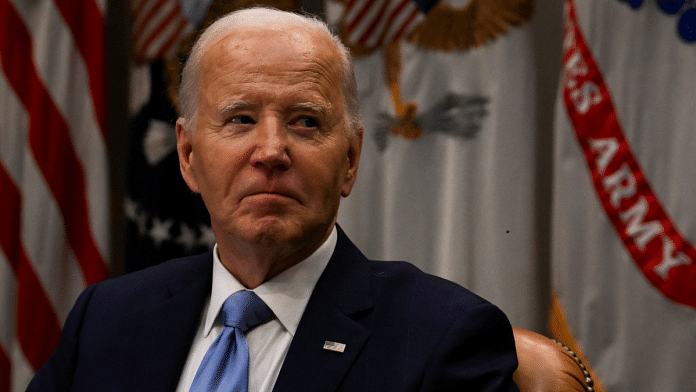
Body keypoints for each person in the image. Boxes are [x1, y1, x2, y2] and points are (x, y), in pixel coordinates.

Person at [28, 7, 519, 392]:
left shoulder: (443, 337)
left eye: (305, 121)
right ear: (187, 155)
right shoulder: (107, 319)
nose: (270, 151)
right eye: (240, 118)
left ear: (350, 159)